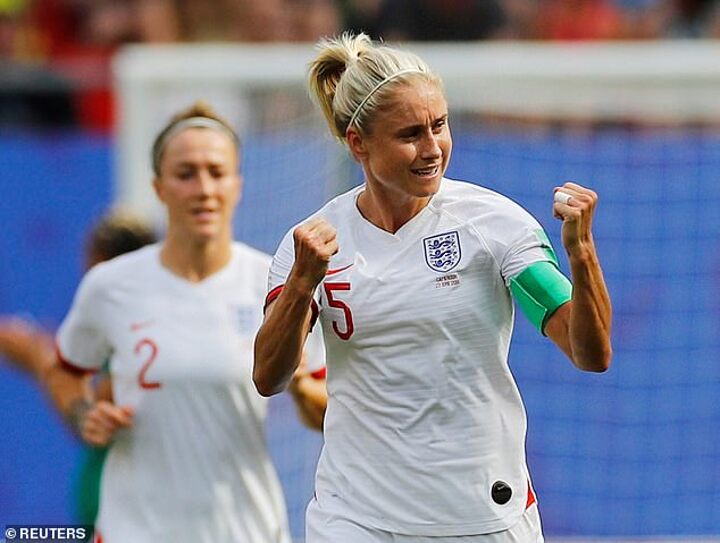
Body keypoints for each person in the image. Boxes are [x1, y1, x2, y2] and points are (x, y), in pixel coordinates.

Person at [254, 33, 612, 542]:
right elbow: (269, 377)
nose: (432, 149)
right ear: (358, 143)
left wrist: (582, 254)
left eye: (439, 125)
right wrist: (301, 285)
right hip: (356, 516)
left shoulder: (495, 225)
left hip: (481, 511)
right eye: (410, 134)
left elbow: (589, 353)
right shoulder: (312, 244)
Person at [46, 101, 326, 543]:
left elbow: (328, 409)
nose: (204, 188)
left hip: (244, 531)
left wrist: (301, 387)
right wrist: (84, 414)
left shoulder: (274, 284)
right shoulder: (111, 285)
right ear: (158, 187)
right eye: (186, 174)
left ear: (237, 185)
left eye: (217, 172)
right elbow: (64, 370)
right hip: (134, 530)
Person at [0, 210, 157, 525]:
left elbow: (98, 416)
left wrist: (37, 357)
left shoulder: (145, 334)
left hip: (128, 515)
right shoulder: (122, 329)